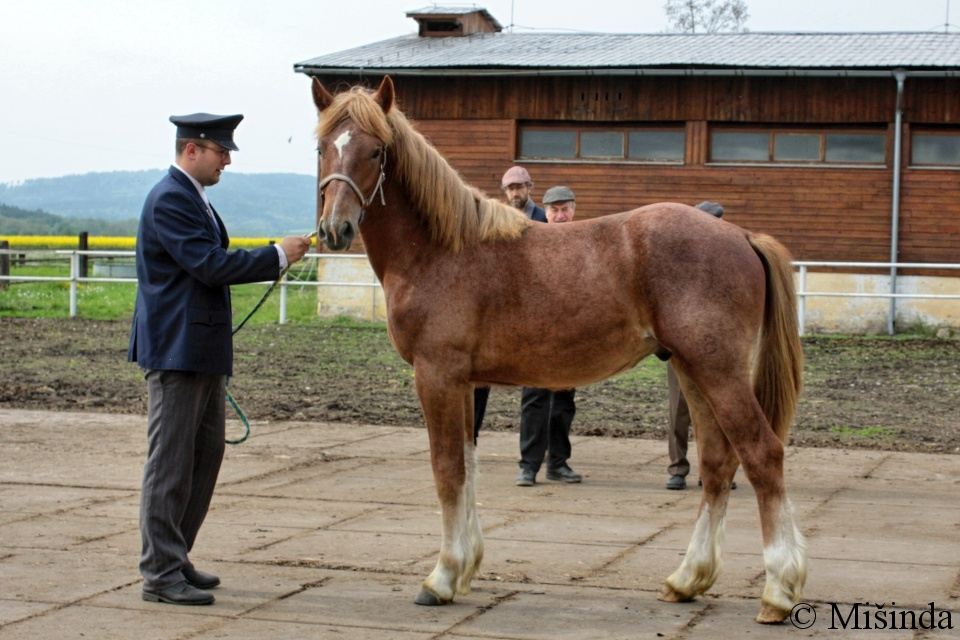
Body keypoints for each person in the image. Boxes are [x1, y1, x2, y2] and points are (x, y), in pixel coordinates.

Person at [128, 113, 311, 605]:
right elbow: (209, 266)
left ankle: (175, 556)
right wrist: (276, 254)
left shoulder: (192, 198)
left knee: (204, 456)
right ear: (192, 150)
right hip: (177, 352)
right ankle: (159, 574)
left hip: (200, 351)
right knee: (170, 464)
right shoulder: (171, 199)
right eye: (220, 151)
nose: (227, 159)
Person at [472, 166, 546, 443]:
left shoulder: (543, 219)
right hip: (501, 307)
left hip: (533, 307)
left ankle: (534, 454)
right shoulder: (496, 221)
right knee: (478, 380)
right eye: (510, 188)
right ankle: (472, 437)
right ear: (504, 192)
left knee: (536, 390)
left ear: (530, 187)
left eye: (520, 186)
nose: (515, 192)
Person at [665, 201, 736, 491]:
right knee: (679, 409)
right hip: (680, 345)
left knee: (722, 408)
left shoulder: (729, 260)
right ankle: (677, 468)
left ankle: (715, 468)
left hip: (716, 347)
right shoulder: (676, 263)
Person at [515, 185, 582, 487]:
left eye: (565, 208)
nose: (560, 215)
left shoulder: (584, 242)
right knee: (535, 400)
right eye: (554, 209)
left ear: (574, 210)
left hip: (569, 335)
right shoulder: (531, 240)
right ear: (547, 212)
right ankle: (528, 465)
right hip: (536, 335)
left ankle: (558, 463)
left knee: (564, 403)